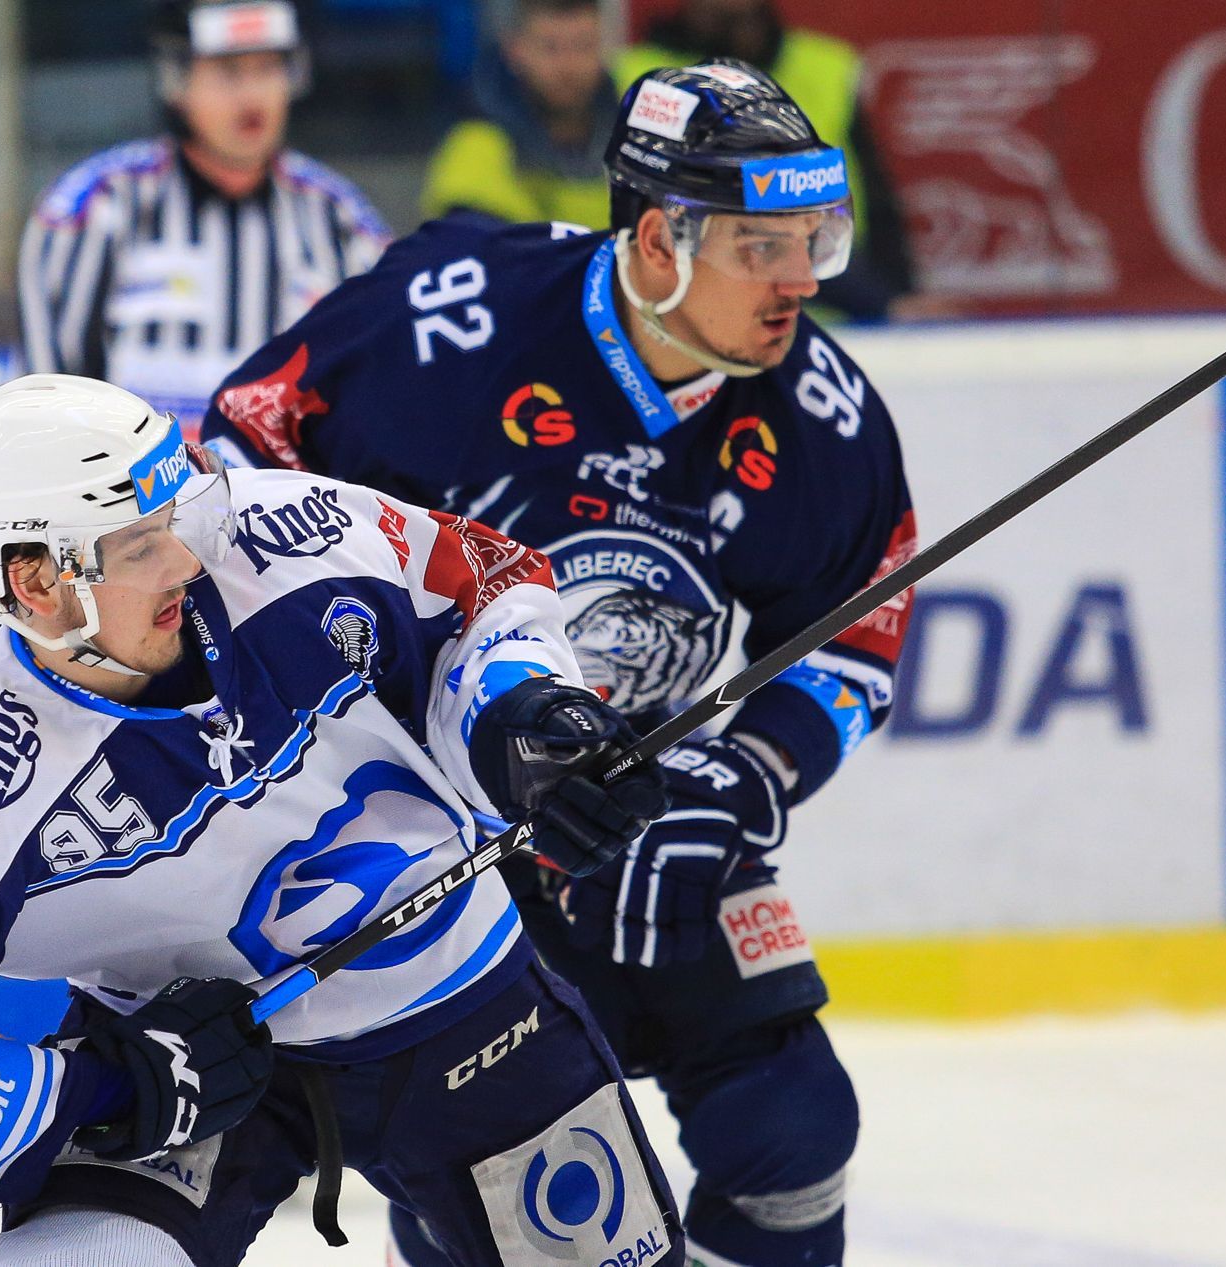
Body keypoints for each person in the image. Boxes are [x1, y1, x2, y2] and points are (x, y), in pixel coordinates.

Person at [202, 61, 916, 1267]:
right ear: (656, 240)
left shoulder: (821, 415)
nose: (800, 280)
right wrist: (309, 685)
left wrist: (739, 784)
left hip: (645, 815)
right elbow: (240, 447)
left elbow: (859, 637)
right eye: (762, 247)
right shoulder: (451, 322)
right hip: (436, 820)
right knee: (509, 1195)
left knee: (791, 1130)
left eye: (817, 239)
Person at [0, 373, 686, 1267]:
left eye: (171, 519)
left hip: (462, 997)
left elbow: (484, 588)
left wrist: (523, 721)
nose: (183, 560)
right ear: (40, 582)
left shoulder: (279, 536)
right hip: (199, 1057)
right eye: (139, 545)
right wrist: (117, 1083)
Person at [17, 0, 391, 437]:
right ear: (176, 80)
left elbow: (382, 399)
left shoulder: (342, 223)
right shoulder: (93, 211)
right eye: (229, 72)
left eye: (269, 68)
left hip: (296, 504)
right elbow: (43, 410)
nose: (253, 96)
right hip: (138, 502)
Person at [620, 0, 917, 322]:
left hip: (840, 319)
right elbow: (748, 229)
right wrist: (878, 302)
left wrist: (897, 302)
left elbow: (877, 201)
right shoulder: (648, 81)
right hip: (702, 317)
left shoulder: (826, 65)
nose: (740, 15)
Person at [420, 0, 620, 229]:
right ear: (515, 51)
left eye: (583, 46)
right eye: (550, 48)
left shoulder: (638, 120)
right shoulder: (477, 144)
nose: (568, 66)